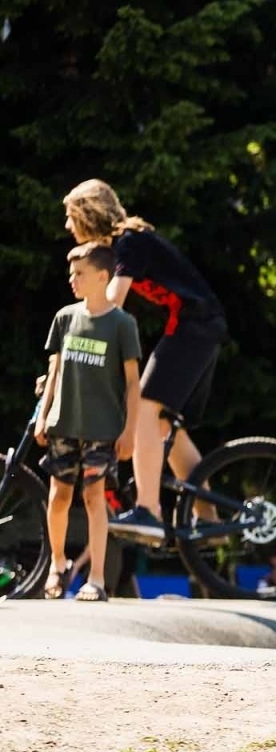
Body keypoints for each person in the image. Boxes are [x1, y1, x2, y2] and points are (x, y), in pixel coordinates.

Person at [61, 180, 228, 543]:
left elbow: (113, 303)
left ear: (88, 213)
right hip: (197, 325)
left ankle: (149, 512)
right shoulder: (125, 243)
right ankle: (209, 519)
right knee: (165, 425)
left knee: (144, 409)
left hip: (194, 324)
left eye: (71, 216)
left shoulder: (129, 241)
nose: (67, 226)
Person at [34, 244, 142, 602]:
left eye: (79, 273)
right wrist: (43, 414)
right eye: (71, 273)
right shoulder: (65, 317)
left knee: (95, 497)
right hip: (64, 422)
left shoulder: (122, 324)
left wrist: (129, 430)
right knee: (58, 496)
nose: (72, 279)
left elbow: (132, 382)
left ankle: (96, 578)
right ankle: (58, 563)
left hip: (103, 428)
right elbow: (55, 369)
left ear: (102, 276)